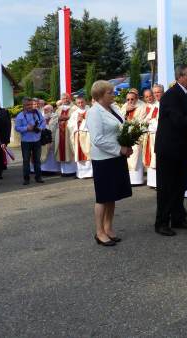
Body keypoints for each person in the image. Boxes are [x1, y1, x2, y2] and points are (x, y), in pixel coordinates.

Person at [154, 64, 187, 236]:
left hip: (183, 147)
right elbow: (179, 121)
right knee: (166, 187)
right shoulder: (171, 95)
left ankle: (178, 218)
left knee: (180, 185)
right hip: (169, 148)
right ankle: (161, 222)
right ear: (179, 76)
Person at [86, 80, 133, 246]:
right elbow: (97, 139)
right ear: (100, 95)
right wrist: (119, 149)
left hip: (115, 158)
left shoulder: (112, 108)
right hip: (103, 159)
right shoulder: (94, 112)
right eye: (110, 92)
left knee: (112, 196)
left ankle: (108, 227)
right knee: (103, 197)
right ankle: (99, 232)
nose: (113, 94)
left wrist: (128, 143)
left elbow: (121, 128)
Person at [15, 97, 46, 185]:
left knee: (37, 160)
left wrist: (39, 128)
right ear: (23, 105)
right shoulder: (20, 115)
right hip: (26, 141)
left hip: (37, 140)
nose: (29, 106)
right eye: (27, 105)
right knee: (26, 160)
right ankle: (26, 178)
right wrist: (26, 128)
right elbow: (16, 128)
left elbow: (43, 122)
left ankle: (38, 177)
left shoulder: (37, 113)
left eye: (30, 104)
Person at [120, 89, 146, 185]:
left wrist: (132, 128)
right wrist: (126, 111)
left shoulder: (142, 106)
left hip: (136, 135)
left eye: (132, 99)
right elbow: (119, 119)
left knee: (136, 155)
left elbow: (141, 121)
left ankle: (137, 180)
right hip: (126, 134)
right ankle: (128, 179)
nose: (130, 101)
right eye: (128, 99)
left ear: (136, 98)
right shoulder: (124, 106)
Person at [142, 86, 162, 188]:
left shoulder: (160, 105)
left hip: (157, 135)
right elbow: (144, 120)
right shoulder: (149, 106)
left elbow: (157, 121)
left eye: (151, 95)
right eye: (147, 96)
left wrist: (150, 121)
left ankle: (158, 182)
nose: (150, 98)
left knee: (156, 157)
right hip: (150, 135)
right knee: (151, 157)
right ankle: (152, 182)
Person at [54, 93, 77, 176]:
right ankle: (63, 171)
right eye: (63, 98)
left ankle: (72, 171)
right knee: (61, 149)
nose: (65, 100)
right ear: (61, 100)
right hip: (60, 132)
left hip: (69, 132)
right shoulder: (59, 109)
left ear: (70, 98)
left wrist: (68, 117)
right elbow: (54, 118)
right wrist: (58, 118)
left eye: (67, 98)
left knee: (69, 149)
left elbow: (76, 118)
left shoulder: (74, 108)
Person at [70, 96, 93, 178]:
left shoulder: (90, 111)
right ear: (76, 104)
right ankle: (81, 173)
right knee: (78, 153)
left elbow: (94, 122)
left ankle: (90, 173)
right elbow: (70, 125)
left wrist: (84, 118)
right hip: (78, 134)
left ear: (85, 102)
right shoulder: (74, 113)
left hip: (87, 134)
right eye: (78, 103)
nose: (80, 104)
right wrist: (76, 122)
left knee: (88, 152)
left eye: (82, 102)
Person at [40, 104, 60, 174]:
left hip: (53, 137)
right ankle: (43, 169)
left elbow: (56, 126)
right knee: (43, 152)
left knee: (52, 154)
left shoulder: (55, 116)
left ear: (51, 110)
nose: (45, 111)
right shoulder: (41, 116)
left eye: (47, 110)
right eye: (44, 109)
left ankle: (53, 170)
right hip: (43, 138)